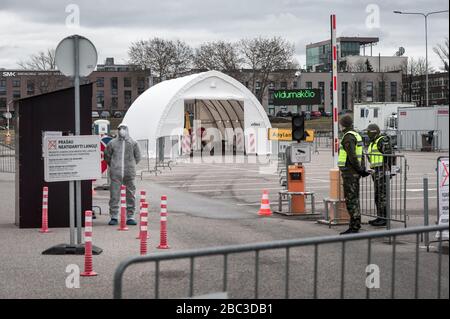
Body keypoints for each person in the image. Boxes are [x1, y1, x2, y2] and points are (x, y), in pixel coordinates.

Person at [338, 114, 371, 235]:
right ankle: (355, 224)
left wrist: (360, 170)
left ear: (343, 125)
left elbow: (352, 156)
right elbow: (359, 155)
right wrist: (361, 169)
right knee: (354, 198)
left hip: (350, 172)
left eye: (340, 124)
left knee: (351, 199)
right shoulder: (356, 134)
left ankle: (354, 226)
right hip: (354, 172)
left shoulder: (348, 137)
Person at [104, 123, 141, 226]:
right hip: (116, 173)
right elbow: (107, 156)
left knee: (131, 195)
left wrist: (131, 166)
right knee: (114, 195)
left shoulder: (133, 143)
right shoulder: (112, 143)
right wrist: (114, 165)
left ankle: (130, 216)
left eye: (124, 128)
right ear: (117, 130)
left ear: (127, 130)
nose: (122, 130)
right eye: (120, 128)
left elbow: (138, 157)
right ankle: (114, 216)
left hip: (129, 173)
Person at [366, 124, 393, 227]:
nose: (368, 134)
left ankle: (384, 218)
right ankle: (380, 217)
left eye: (369, 132)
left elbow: (389, 156)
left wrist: (388, 171)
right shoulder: (373, 142)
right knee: (378, 195)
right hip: (376, 171)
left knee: (382, 196)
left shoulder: (382, 140)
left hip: (382, 171)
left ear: (374, 132)